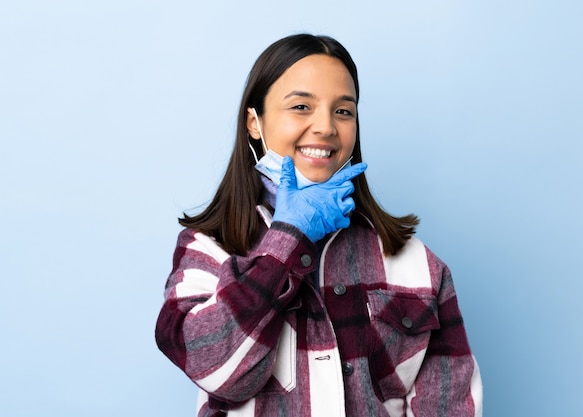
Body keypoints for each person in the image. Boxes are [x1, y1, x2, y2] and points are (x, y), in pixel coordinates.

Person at [155, 33, 482, 417]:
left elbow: (449, 406)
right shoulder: (207, 249)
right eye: (300, 106)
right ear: (254, 123)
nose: (326, 127)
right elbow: (217, 371)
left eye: (343, 111)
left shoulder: (417, 265)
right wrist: (288, 238)